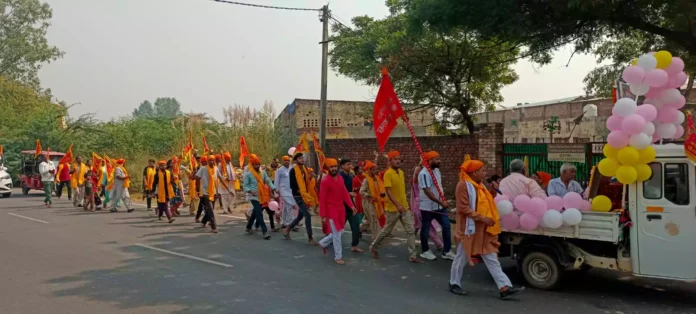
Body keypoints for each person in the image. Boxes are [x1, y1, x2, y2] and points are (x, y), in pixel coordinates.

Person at [450, 159, 524, 299]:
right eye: (483, 170)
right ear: (474, 172)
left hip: (484, 229)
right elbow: (463, 208)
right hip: (468, 228)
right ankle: (454, 283)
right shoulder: (463, 185)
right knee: (461, 257)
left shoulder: (480, 185)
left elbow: (484, 202)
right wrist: (483, 218)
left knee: (491, 257)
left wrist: (493, 192)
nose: (485, 173)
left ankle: (504, 287)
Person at [369, 151, 422, 264]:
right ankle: (373, 246)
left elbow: (401, 190)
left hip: (404, 208)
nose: (398, 161)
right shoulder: (388, 173)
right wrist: (397, 205)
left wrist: (405, 204)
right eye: (395, 159)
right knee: (386, 230)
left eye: (399, 159)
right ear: (389, 161)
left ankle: (412, 255)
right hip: (393, 208)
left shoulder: (401, 172)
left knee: (410, 231)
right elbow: (388, 191)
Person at [318, 158, 357, 265]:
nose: (334, 168)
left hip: (341, 210)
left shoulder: (340, 178)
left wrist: (351, 205)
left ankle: (323, 242)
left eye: (335, 166)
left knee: (340, 232)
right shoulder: (325, 181)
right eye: (331, 167)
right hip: (331, 210)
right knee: (337, 234)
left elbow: (344, 193)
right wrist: (323, 215)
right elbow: (322, 199)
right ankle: (338, 256)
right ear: (327, 168)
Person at [418, 151, 454, 261]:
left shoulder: (437, 171)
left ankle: (447, 251)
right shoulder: (423, 173)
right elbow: (428, 191)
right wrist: (441, 202)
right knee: (426, 229)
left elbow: (439, 188)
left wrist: (444, 201)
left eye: (439, 158)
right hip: (427, 207)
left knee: (447, 227)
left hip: (439, 206)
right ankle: (425, 251)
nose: (439, 161)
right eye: (437, 159)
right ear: (429, 161)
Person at [283, 153, 317, 245]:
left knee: (300, 216)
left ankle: (288, 228)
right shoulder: (293, 171)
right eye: (299, 158)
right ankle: (310, 238)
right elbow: (292, 185)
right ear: (295, 160)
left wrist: (310, 177)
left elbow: (306, 183)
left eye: (302, 158)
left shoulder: (304, 169)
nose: (302, 159)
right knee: (308, 215)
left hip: (305, 195)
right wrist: (300, 191)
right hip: (298, 196)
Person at [410, 159, 444, 252]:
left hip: (426, 205)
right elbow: (416, 175)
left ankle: (412, 241)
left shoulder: (426, 177)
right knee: (427, 227)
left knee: (419, 226)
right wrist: (420, 165)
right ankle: (438, 244)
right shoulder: (417, 181)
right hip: (420, 206)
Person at [243, 154, 276, 239]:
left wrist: (274, 188)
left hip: (262, 195)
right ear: (252, 165)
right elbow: (245, 185)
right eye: (255, 165)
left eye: (258, 164)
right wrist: (250, 191)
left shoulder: (263, 173)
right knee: (259, 214)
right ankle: (265, 232)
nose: (257, 166)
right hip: (254, 197)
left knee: (255, 213)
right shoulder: (248, 174)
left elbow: (268, 181)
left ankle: (248, 227)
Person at [192, 155, 223, 233]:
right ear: (208, 161)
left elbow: (220, 178)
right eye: (210, 160)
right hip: (206, 193)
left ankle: (203, 222)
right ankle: (214, 226)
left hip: (214, 192)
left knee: (210, 209)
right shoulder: (203, 169)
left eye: (213, 160)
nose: (211, 162)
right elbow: (196, 177)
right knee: (211, 210)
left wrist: (227, 188)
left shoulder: (216, 169)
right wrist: (193, 176)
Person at [338, 158, 363, 253]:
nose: (350, 166)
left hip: (350, 204)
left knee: (355, 224)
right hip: (341, 205)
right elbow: (338, 191)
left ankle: (354, 245)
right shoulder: (339, 177)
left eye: (350, 164)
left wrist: (355, 190)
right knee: (339, 226)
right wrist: (349, 193)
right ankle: (329, 239)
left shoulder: (351, 176)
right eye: (348, 164)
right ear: (342, 166)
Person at [359, 161, 383, 237]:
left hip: (376, 202)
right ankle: (376, 237)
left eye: (376, 169)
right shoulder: (366, 180)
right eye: (373, 170)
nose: (375, 171)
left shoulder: (376, 178)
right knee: (374, 219)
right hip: (368, 202)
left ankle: (359, 229)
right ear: (368, 171)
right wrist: (369, 196)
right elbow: (361, 191)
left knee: (369, 219)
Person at [275, 156, 297, 229]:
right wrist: (276, 191)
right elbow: (277, 181)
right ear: (282, 161)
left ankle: (284, 222)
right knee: (290, 205)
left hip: (291, 191)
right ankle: (291, 223)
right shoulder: (279, 170)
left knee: (286, 207)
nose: (287, 161)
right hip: (283, 190)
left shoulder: (292, 168)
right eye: (285, 160)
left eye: (288, 160)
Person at [352, 163, 367, 234]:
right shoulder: (355, 178)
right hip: (358, 196)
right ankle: (360, 226)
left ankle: (364, 226)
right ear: (357, 171)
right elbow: (353, 189)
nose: (361, 170)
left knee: (365, 210)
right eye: (360, 169)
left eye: (362, 169)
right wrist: (359, 188)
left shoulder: (364, 177)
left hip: (364, 196)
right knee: (360, 210)